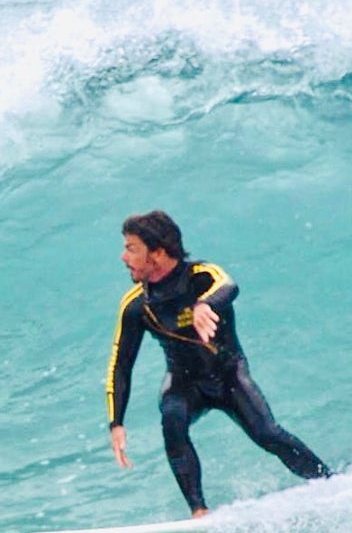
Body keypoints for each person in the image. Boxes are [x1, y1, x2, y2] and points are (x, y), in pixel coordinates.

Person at [106, 210, 330, 517]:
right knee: (172, 418)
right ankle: (199, 511)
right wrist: (116, 423)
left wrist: (203, 306)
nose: (123, 256)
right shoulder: (136, 306)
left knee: (267, 434)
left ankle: (329, 483)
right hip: (184, 383)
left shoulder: (202, 276)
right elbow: (121, 365)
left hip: (228, 375)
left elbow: (229, 288)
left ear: (156, 253)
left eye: (131, 248)